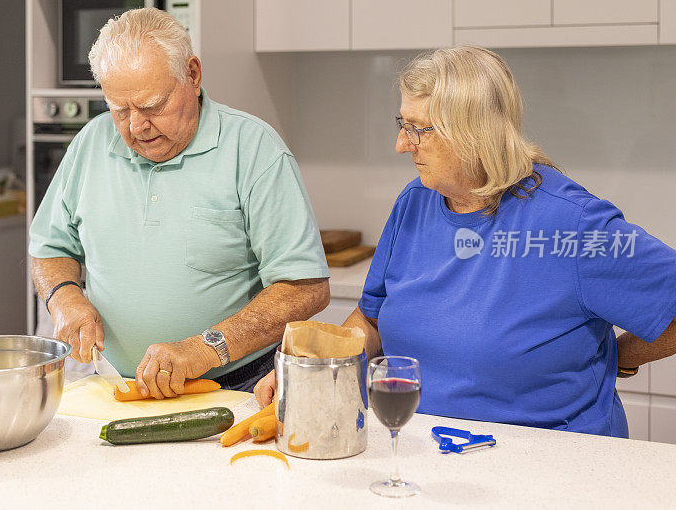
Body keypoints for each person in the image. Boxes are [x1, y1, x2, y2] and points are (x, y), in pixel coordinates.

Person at [255, 45, 676, 437]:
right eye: (403, 124)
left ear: (473, 133)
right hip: (419, 447)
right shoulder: (414, 203)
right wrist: (316, 368)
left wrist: (620, 357)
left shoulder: (574, 224)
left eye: (418, 129)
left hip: (547, 462)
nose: (401, 144)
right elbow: (372, 320)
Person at [29, 8, 329, 397]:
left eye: (153, 105)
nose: (136, 126)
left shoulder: (255, 150)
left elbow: (305, 287)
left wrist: (204, 348)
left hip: (235, 387)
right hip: (115, 387)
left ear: (192, 74)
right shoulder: (91, 143)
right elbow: (49, 248)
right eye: (119, 110)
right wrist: (64, 297)